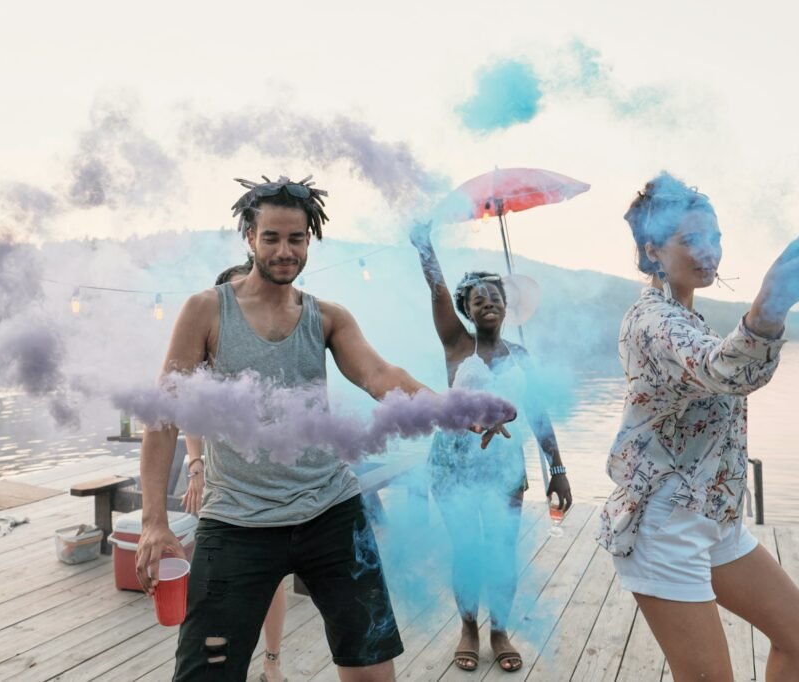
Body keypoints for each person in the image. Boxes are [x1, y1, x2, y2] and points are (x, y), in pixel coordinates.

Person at [135, 175, 515, 681]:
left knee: (372, 669)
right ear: (249, 237)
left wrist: (458, 408)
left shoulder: (327, 317)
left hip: (330, 511)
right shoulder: (207, 310)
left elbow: (382, 377)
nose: (284, 250)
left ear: (309, 238)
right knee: (205, 673)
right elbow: (163, 416)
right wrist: (153, 521)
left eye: (296, 238)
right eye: (271, 237)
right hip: (237, 520)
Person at [598, 171, 799, 680]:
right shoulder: (651, 321)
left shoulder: (689, 319)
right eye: (689, 239)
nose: (708, 251)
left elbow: (724, 364)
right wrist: (771, 303)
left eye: (713, 237)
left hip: (714, 520)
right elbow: (725, 369)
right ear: (652, 252)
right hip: (665, 527)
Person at [409, 221, 573, 673]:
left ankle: (499, 630)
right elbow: (438, 291)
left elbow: (539, 414)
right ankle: (468, 627)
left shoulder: (521, 356)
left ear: (506, 306)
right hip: (452, 465)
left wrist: (557, 469)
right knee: (466, 548)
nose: (488, 302)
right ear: (465, 309)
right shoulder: (456, 345)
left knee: (501, 549)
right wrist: (425, 245)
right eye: (477, 298)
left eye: (495, 296)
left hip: (504, 466)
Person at [180, 256, 289, 682]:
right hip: (225, 489)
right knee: (218, 584)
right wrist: (195, 466)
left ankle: (273, 662)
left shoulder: (277, 352)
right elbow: (190, 416)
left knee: (272, 578)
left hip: (273, 487)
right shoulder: (208, 354)